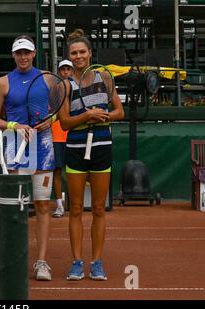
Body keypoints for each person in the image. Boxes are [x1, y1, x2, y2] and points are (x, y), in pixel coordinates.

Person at [0, 35, 62, 281]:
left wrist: (47, 122)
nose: (23, 57)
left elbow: (58, 113)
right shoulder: (2, 83)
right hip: (16, 149)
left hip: (43, 147)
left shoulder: (49, 79)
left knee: (42, 204)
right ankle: (11, 258)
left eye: (27, 53)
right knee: (16, 208)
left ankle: (41, 262)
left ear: (33, 54)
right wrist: (14, 125)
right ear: (13, 55)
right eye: (19, 53)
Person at [58, 29, 124, 281]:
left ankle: (97, 262)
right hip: (75, 148)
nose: (78, 56)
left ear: (90, 53)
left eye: (82, 52)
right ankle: (77, 262)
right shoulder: (64, 85)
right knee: (75, 208)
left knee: (98, 208)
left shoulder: (104, 78)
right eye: (74, 53)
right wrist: (87, 115)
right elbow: (64, 123)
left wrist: (102, 115)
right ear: (69, 56)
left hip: (101, 146)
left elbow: (119, 111)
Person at [51, 59, 73, 218]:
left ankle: (75, 203)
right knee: (57, 171)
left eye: (68, 69)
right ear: (59, 72)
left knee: (75, 172)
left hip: (74, 135)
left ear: (72, 71)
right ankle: (59, 205)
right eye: (63, 69)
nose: (65, 72)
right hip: (57, 136)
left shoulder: (78, 89)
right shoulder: (53, 91)